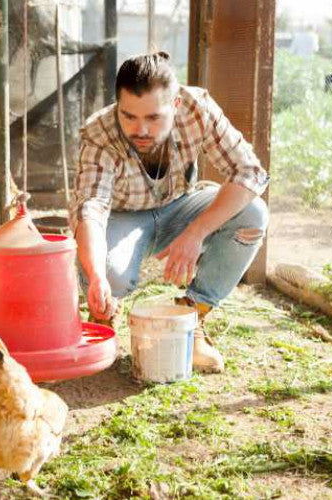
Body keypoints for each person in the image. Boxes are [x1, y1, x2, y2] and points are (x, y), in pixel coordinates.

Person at [69, 51, 269, 373]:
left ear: (175, 105)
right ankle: (103, 313)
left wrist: (196, 233)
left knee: (253, 214)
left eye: (153, 118)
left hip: (181, 206)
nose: (140, 130)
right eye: (128, 116)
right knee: (108, 272)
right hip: (122, 217)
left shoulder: (197, 107)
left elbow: (250, 172)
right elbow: (91, 208)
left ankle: (192, 318)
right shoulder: (98, 132)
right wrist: (95, 277)